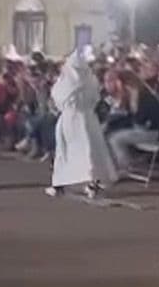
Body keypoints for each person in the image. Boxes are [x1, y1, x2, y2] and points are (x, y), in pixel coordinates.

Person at [48, 53, 114, 198]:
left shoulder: (65, 83)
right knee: (91, 152)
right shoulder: (91, 81)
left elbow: (57, 100)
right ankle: (92, 183)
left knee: (66, 152)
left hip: (70, 119)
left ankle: (60, 183)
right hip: (89, 118)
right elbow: (96, 98)